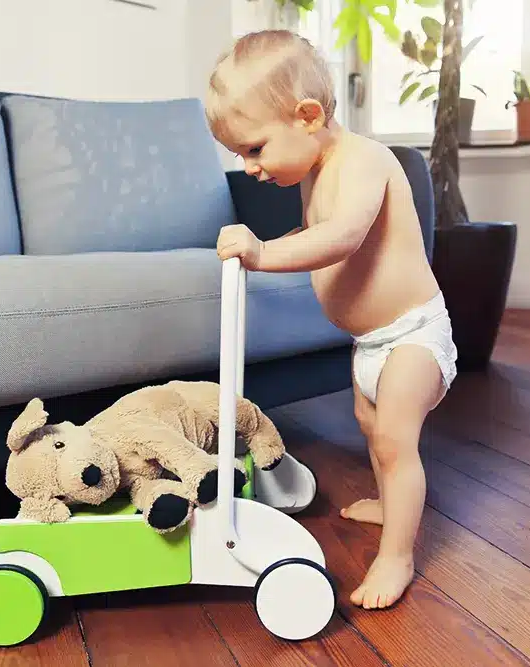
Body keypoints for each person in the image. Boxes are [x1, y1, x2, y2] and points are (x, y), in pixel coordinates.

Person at [205, 29, 458, 610]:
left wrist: (264, 254)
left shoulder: (367, 159)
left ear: (308, 116)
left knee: (395, 440)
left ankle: (398, 554)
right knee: (371, 431)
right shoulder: (315, 170)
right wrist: (265, 249)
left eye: (255, 149)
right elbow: (312, 232)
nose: (249, 169)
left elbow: (343, 235)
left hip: (414, 333)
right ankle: (389, 502)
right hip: (369, 342)